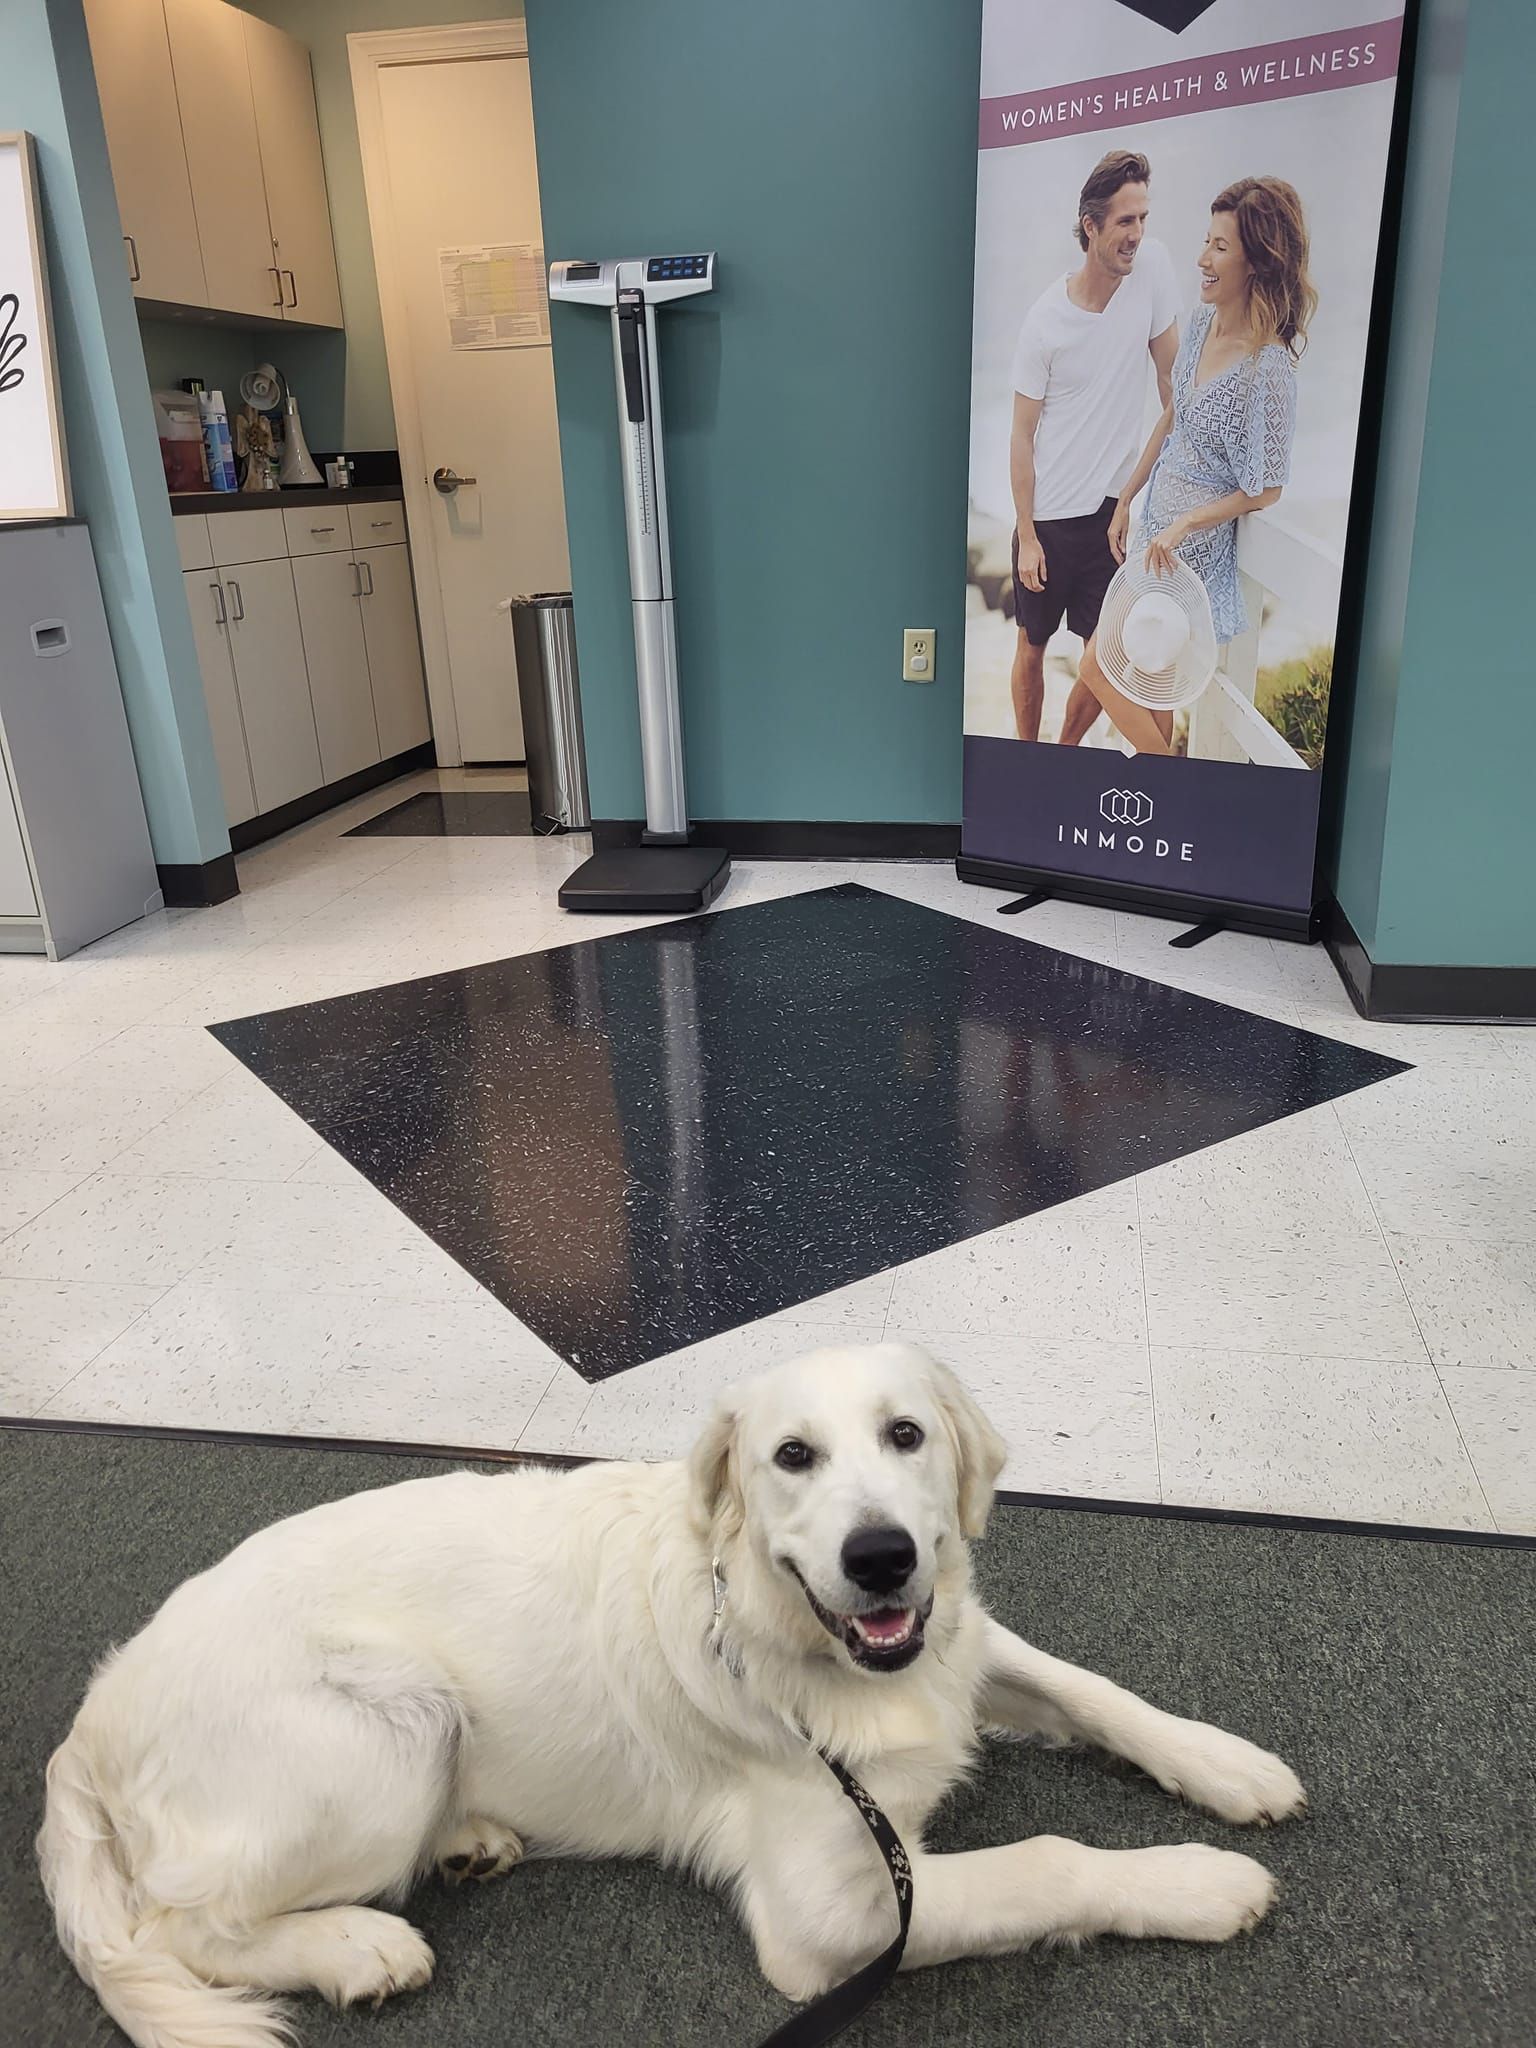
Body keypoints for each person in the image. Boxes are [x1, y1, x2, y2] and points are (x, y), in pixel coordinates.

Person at [1076, 176, 1317, 756]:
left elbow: (1267, 490)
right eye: (1206, 242)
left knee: (1097, 666)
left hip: (1191, 558)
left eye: (1220, 247)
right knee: (1146, 689)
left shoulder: (1269, 368)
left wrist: (1189, 525)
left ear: (1257, 262)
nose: (1202, 259)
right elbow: (1173, 414)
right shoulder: (1203, 322)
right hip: (1153, 534)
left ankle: (1174, 787)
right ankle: (1164, 804)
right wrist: (1129, 496)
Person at [1008, 148, 1180, 745]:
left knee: (1104, 656)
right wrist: (1027, 534)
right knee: (1031, 648)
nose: (1137, 234)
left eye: (1142, 219)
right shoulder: (1044, 323)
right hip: (1050, 520)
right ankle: (1027, 761)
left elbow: (1172, 385)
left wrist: (1165, 482)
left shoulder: (1152, 269)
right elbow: (1021, 436)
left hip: (1111, 514)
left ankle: (1065, 753)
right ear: (1091, 226)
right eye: (1125, 222)